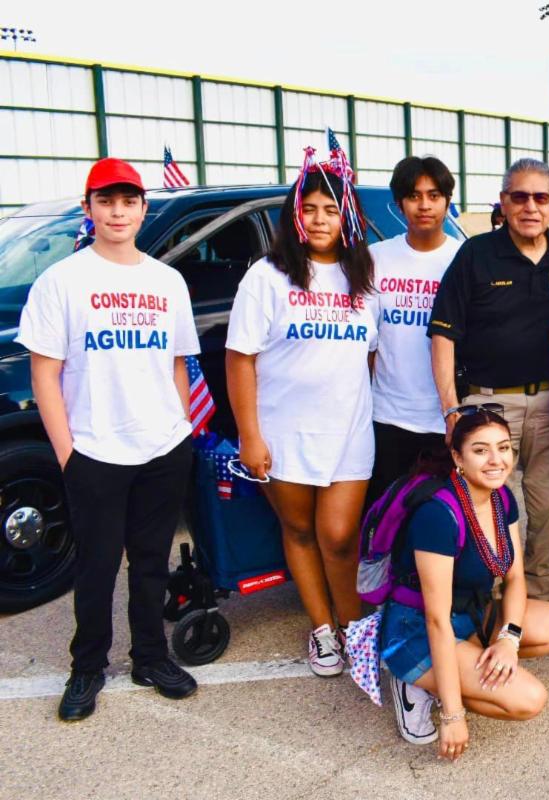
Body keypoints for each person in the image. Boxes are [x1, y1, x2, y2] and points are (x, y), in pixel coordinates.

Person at [18, 158, 201, 721]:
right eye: (106, 201)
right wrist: (68, 454)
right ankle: (87, 667)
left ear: (143, 210)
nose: (118, 212)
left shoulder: (167, 281)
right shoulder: (62, 281)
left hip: (162, 446)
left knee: (151, 561)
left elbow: (177, 363)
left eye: (128, 202)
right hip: (95, 450)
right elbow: (44, 373)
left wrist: (180, 430)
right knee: (96, 566)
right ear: (89, 208)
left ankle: (150, 657)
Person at [226, 147, 376, 676]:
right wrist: (250, 435)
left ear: (346, 217)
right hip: (283, 432)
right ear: (294, 215)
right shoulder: (267, 277)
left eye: (330, 210)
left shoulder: (364, 279)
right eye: (308, 209)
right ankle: (323, 629)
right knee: (299, 530)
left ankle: (355, 626)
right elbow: (240, 358)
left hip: (349, 431)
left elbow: (370, 356)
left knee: (339, 535)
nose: (318, 219)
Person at [428, 158, 549, 600]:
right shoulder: (476, 254)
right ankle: (487, 596)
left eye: (541, 197)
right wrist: (451, 409)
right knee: (486, 503)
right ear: (503, 201)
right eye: (519, 196)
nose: (530, 206)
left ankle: (535, 597)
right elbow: (443, 336)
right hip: (486, 405)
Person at [380, 410, 549, 760]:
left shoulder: (501, 498)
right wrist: (453, 716)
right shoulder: (438, 514)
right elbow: (436, 620)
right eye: (481, 450)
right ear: (458, 457)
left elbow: (514, 578)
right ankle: (417, 681)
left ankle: (453, 670)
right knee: (529, 700)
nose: (496, 460)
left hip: (470, 615)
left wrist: (508, 641)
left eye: (503, 447)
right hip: (417, 630)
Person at [366, 156, 461, 506]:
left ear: (447, 202)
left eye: (434, 195)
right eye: (414, 196)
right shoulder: (376, 258)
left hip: (446, 417)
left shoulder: (464, 258)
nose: (424, 205)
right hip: (388, 414)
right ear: (398, 204)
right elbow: (367, 341)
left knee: (442, 518)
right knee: (388, 516)